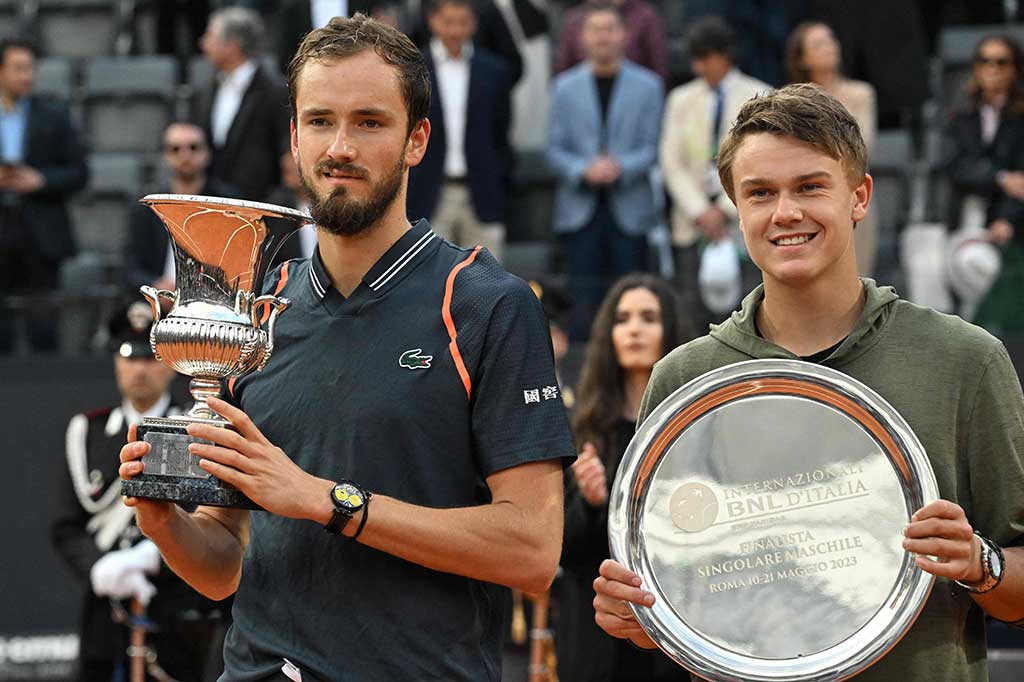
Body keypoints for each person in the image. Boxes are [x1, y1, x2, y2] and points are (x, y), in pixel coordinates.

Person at [120, 13, 573, 682]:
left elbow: (532, 550)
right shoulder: (255, 312)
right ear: (296, 136)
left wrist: (327, 502)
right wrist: (161, 521)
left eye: (370, 121)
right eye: (322, 121)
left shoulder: (486, 304)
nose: (341, 147)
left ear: (417, 140)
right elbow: (225, 565)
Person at [592, 83, 1024, 681]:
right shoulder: (686, 382)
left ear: (860, 195)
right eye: (760, 193)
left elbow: (1018, 587)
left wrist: (980, 563)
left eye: (810, 187)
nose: (785, 213)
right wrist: (642, 616)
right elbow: (685, 597)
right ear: (736, 209)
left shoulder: (964, 361)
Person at [51, 299, 226, 682]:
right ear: (116, 361)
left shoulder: (193, 429)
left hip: (177, 611)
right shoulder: (89, 432)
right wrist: (100, 568)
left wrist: (152, 554)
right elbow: (66, 526)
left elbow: (212, 520)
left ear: (169, 363)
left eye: (150, 358)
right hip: (104, 612)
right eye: (130, 357)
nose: (140, 369)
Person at [557, 273, 686, 682]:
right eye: (623, 318)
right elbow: (562, 550)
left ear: (669, 330)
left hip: (676, 629)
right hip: (596, 640)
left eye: (648, 317)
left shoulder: (691, 424)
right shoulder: (581, 428)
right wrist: (592, 502)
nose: (634, 329)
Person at [546, 2, 662, 341]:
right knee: (583, 301)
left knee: (631, 294)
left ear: (624, 35)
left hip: (630, 206)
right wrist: (583, 169)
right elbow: (554, 149)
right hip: (580, 208)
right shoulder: (564, 86)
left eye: (610, 29)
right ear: (582, 37)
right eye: (595, 30)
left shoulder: (648, 85)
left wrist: (620, 167)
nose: (603, 37)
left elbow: (652, 146)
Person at [659, 15, 767, 334]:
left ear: (724, 55)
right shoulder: (680, 99)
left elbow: (761, 161)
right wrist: (700, 211)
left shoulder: (760, 94)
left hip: (741, 221)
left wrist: (724, 207)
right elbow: (670, 161)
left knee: (748, 310)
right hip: (691, 223)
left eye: (705, 58)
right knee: (691, 313)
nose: (699, 68)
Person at [406, 0, 513, 261]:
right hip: (427, 192)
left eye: (462, 23)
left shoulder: (494, 71)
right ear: (432, 21)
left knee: (487, 283)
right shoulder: (412, 71)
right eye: (448, 22)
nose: (455, 31)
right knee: (427, 281)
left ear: (474, 24)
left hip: (482, 192)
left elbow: (501, 135)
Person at [0, 36, 87, 353]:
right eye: (19, 68)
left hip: (40, 229)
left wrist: (40, 180)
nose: (27, 76)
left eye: (31, 68)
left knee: (43, 321)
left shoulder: (53, 114)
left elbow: (79, 172)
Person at [943, 34, 1024, 336]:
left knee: (980, 267)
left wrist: (1008, 220)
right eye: (984, 61)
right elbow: (955, 166)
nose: (992, 68)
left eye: (1001, 62)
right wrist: (1000, 178)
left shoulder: (1020, 120)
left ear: (1014, 69)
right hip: (953, 219)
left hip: (999, 225)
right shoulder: (959, 114)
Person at [786, 20, 878, 277]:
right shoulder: (791, 100)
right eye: (818, 44)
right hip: (806, 195)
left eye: (831, 40)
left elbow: (862, 146)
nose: (830, 47)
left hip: (852, 190)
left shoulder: (862, 93)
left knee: (857, 275)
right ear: (802, 59)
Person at [122, 121, 247, 295]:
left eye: (193, 148)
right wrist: (157, 287)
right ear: (165, 156)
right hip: (158, 304)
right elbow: (130, 268)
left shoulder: (228, 203)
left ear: (207, 153)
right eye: (175, 149)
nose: (185, 155)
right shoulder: (148, 206)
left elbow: (240, 266)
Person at [193, 7, 290, 203]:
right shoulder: (206, 90)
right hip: (214, 204)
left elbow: (285, 147)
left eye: (210, 36)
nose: (203, 44)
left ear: (232, 45)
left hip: (259, 205)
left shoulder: (275, 91)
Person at [555, 0, 667, 83]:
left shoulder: (644, 16)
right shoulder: (575, 19)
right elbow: (564, 68)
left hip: (634, 96)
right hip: (582, 96)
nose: (603, 36)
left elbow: (658, 66)